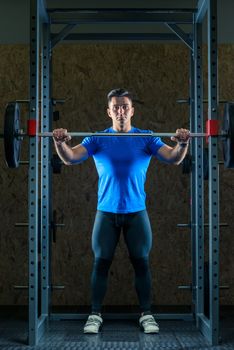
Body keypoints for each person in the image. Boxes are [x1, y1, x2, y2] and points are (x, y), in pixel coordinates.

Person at [53, 88, 190, 334]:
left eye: (125, 106)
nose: (120, 110)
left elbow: (174, 158)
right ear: (109, 111)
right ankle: (94, 315)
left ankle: (146, 314)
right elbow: (70, 157)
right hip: (106, 213)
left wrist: (182, 143)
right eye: (115, 107)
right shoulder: (96, 138)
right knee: (101, 264)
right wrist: (59, 142)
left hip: (136, 212)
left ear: (132, 110)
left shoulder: (146, 137)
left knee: (142, 264)